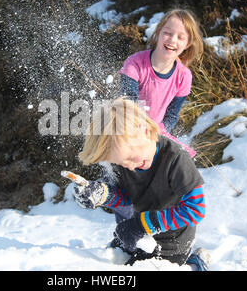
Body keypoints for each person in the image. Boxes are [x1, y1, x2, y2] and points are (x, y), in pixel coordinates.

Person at [73, 98, 211, 270]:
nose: (129, 166)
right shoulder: (121, 161)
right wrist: (102, 194)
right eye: (123, 163)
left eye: (130, 158)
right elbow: (125, 198)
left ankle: (195, 264)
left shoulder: (175, 160)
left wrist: (142, 225)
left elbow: (195, 209)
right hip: (136, 233)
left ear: (145, 131)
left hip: (171, 242)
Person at [119, 8, 204, 158]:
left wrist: (157, 132)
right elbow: (129, 102)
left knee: (182, 159)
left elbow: (172, 114)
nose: (172, 40)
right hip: (128, 126)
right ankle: (111, 179)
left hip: (157, 131)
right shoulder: (134, 63)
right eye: (168, 33)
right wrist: (139, 130)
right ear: (158, 32)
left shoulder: (184, 76)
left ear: (188, 43)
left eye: (180, 37)